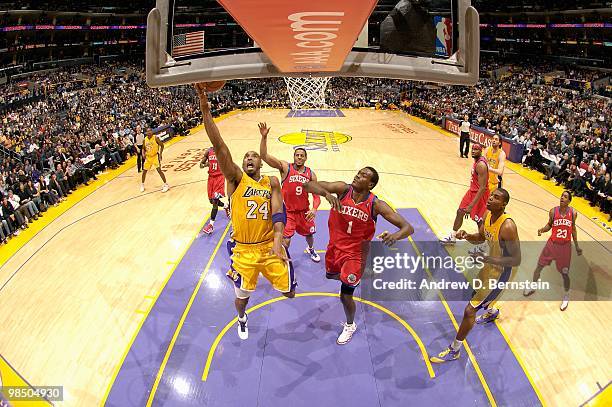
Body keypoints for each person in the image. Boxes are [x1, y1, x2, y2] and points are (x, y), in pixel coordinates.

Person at [195, 82, 295, 340]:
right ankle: (242, 317)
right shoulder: (236, 179)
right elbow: (220, 147)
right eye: (246, 157)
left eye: (254, 156)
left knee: (290, 293)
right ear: (240, 164)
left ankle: (281, 260)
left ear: (261, 161)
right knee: (242, 298)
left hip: (269, 246)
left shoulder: (271, 181)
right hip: (243, 251)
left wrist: (277, 241)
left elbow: (278, 214)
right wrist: (206, 108)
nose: (249, 158)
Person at [304, 168, 414, 345]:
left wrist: (395, 236)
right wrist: (326, 194)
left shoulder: (375, 205)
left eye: (363, 175)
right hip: (334, 248)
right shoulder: (342, 189)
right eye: (359, 173)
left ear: (370, 184)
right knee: (332, 275)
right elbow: (307, 185)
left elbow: (408, 227)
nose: (357, 175)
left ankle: (349, 325)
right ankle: (359, 276)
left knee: (345, 295)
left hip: (356, 255)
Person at [431, 188, 521, 363]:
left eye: (496, 197)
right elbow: (481, 237)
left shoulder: (508, 226)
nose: (491, 198)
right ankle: (492, 311)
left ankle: (454, 350)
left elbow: (516, 259)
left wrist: (486, 257)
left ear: (503, 204)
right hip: (491, 264)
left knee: (470, 310)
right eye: (492, 195)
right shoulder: (488, 215)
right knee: (478, 295)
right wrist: (467, 236)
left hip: (503, 272)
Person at [259, 122, 321, 262]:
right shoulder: (285, 168)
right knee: (286, 239)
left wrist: (314, 209)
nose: (299, 157)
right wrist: (264, 138)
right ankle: (284, 259)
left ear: (305, 158)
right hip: (289, 212)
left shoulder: (311, 174)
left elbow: (317, 197)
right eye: (297, 155)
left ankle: (310, 249)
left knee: (309, 235)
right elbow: (264, 156)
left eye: (302, 155)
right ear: (294, 157)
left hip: (304, 212)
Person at [524, 191, 582, 311]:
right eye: (561, 195)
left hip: (565, 247)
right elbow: (549, 225)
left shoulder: (573, 213)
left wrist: (576, 246)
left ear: (569, 201)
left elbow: (573, 229)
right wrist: (542, 230)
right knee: (539, 267)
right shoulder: (552, 211)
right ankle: (533, 286)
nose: (562, 197)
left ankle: (566, 296)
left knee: (564, 273)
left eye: (565, 197)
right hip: (552, 244)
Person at [440, 143, 489, 244]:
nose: (473, 151)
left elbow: (483, 188)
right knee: (460, 212)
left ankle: (486, 244)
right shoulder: (476, 161)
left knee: (480, 221)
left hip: (480, 195)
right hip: (472, 192)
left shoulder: (481, 165)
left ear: (481, 151)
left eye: (476, 149)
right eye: (473, 149)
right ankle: (452, 237)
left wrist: (471, 206)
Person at [200, 146, 229, 234]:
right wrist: (206, 165)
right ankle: (225, 206)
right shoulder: (208, 151)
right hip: (211, 179)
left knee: (215, 202)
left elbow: (228, 164)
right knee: (211, 201)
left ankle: (211, 225)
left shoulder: (222, 151)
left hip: (219, 178)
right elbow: (201, 165)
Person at [140, 128, 169, 193]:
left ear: (152, 132)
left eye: (150, 131)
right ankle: (142, 184)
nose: (149, 132)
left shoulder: (156, 138)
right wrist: (143, 154)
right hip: (148, 157)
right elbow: (143, 148)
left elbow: (162, 145)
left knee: (159, 170)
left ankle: (166, 184)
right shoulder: (145, 140)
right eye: (148, 131)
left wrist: (160, 154)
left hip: (155, 156)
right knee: (144, 171)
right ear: (146, 133)